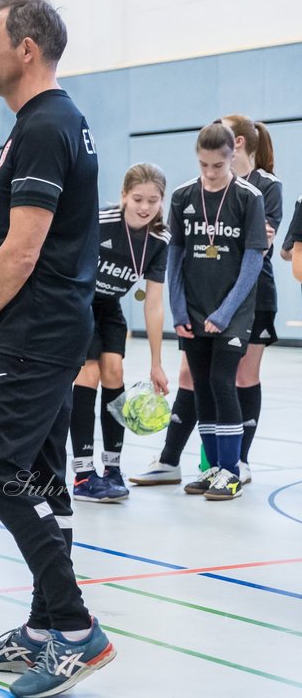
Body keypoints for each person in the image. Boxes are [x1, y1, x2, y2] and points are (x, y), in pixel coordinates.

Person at [0, 0, 115, 697]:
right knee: (40, 476)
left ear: (26, 49)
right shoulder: (42, 124)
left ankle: (77, 629)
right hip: (39, 324)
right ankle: (46, 627)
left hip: (40, 323)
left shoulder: (46, 125)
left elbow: (21, 250)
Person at [167, 120, 266, 502]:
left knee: (224, 383)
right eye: (204, 165)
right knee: (204, 387)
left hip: (232, 313)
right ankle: (211, 470)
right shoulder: (181, 196)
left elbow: (253, 260)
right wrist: (178, 309)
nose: (210, 174)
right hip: (192, 310)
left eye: (218, 166)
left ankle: (232, 470)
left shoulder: (248, 197)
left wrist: (224, 313)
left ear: (232, 158)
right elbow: (175, 256)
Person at [70, 165, 170, 504]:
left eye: (153, 201)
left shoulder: (159, 240)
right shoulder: (99, 221)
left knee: (115, 371)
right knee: (90, 372)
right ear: (124, 195)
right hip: (77, 304)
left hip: (109, 306)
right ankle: (83, 474)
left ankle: (112, 468)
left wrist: (157, 363)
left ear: (161, 201)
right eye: (138, 198)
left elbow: (153, 303)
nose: (144, 207)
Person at [225, 116, 280, 481]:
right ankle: (211, 457)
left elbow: (262, 242)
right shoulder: (215, 184)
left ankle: (241, 460)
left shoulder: (267, 185)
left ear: (240, 141)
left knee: (245, 377)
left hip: (257, 293)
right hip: (217, 294)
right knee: (210, 377)